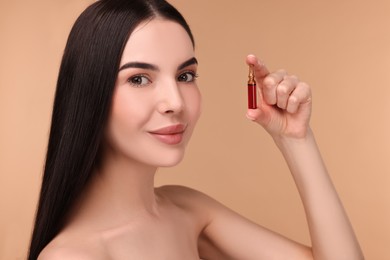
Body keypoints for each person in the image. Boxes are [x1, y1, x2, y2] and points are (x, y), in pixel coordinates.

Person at [28, 0, 364, 259]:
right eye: (139, 79)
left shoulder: (187, 210)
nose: (175, 101)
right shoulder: (73, 255)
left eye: (185, 75)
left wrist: (296, 140)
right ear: (90, 93)